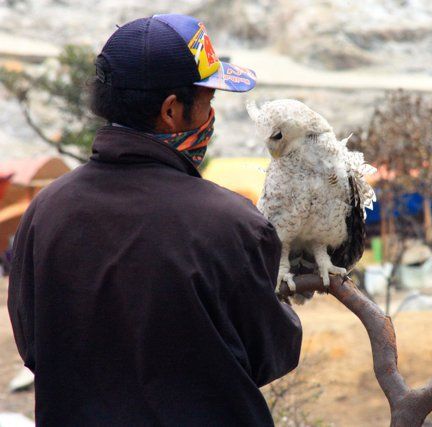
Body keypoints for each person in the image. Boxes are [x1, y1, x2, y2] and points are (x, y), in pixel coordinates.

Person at [8, 14, 302, 426]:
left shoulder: (45, 210)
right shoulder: (232, 223)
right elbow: (272, 355)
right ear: (170, 111)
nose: (211, 114)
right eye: (207, 101)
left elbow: (32, 345)